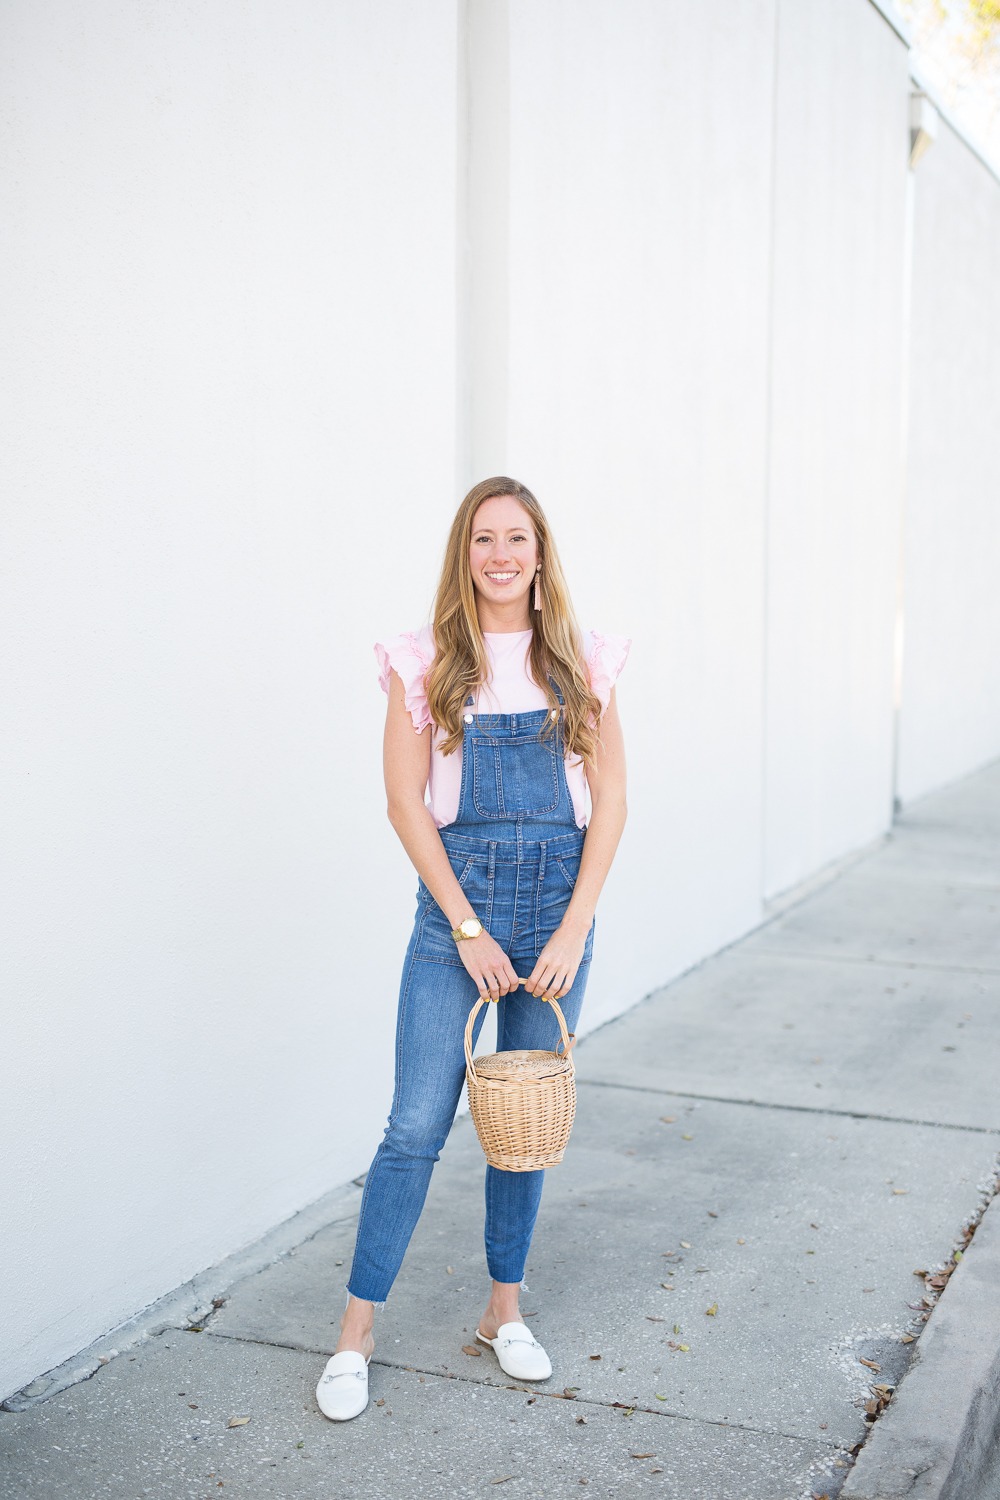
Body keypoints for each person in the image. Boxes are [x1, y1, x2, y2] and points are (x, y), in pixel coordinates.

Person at [316, 477, 629, 1421]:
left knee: (521, 1125)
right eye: (484, 538)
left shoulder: (581, 662)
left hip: (554, 927)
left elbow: (610, 801)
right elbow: (405, 804)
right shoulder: (423, 663)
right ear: (466, 554)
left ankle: (504, 1313)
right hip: (456, 924)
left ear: (540, 557)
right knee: (416, 1126)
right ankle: (354, 1336)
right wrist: (466, 928)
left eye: (517, 538)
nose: (501, 554)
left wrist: (571, 929)